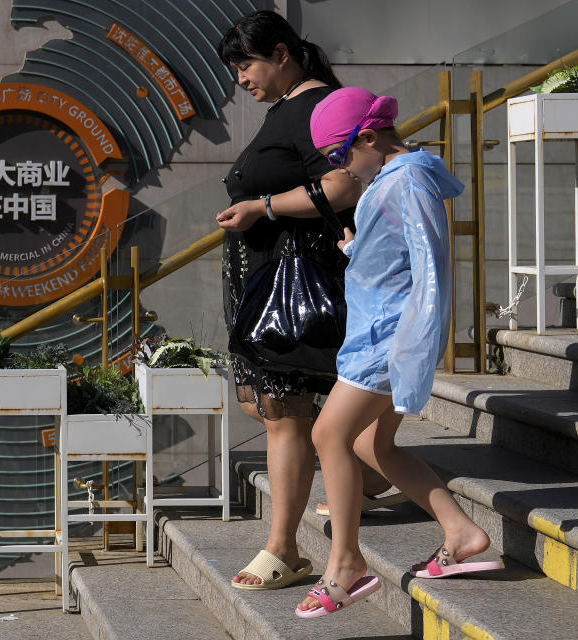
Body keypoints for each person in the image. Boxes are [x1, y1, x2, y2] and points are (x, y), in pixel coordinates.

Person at [295, 88, 503, 618]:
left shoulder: (405, 180)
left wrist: (414, 347)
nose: (341, 171)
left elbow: (431, 265)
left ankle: (345, 564)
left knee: (328, 434)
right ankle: (461, 533)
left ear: (367, 137)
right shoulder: (397, 178)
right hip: (383, 331)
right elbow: (401, 255)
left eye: (339, 158)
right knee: (370, 446)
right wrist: (356, 248)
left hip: (387, 336)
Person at [214, 10, 394, 590]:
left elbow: (344, 182)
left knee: (283, 412)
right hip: (269, 276)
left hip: (295, 276)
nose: (241, 77)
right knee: (268, 405)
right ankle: (365, 470)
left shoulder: (317, 106)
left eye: (246, 63)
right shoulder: (288, 108)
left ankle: (284, 549)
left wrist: (263, 208)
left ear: (282, 53)